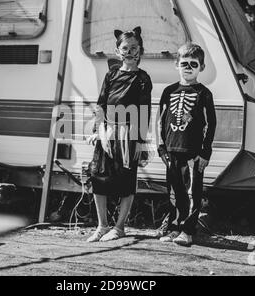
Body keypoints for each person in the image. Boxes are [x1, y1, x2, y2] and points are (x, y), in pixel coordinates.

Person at [86, 27, 153, 242]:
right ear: (118, 51)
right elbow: (101, 104)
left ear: (140, 50)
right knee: (98, 178)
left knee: (126, 181)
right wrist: (98, 131)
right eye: (125, 48)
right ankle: (102, 225)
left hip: (129, 134)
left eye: (134, 48)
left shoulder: (143, 78)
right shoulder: (111, 74)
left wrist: (140, 142)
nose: (130, 52)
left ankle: (120, 226)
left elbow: (144, 111)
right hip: (107, 133)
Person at [157, 43, 216, 246]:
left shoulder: (204, 94)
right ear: (177, 65)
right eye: (184, 63)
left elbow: (210, 123)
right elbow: (160, 120)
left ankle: (188, 231)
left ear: (201, 67)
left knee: (192, 193)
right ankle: (174, 227)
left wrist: (205, 152)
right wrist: (161, 146)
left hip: (193, 153)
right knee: (174, 192)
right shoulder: (168, 91)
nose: (188, 67)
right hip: (171, 151)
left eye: (194, 64)